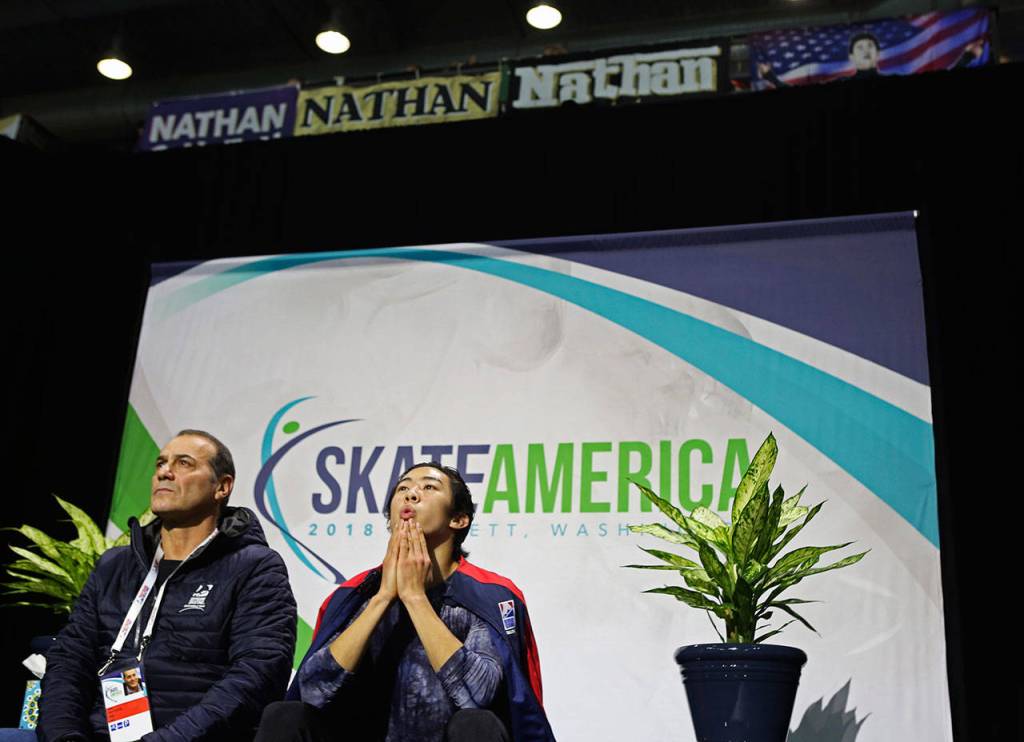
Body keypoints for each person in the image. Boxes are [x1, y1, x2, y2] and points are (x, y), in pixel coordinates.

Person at [256, 463, 555, 742]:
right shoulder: (353, 593)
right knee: (284, 715)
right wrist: (383, 597)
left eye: (429, 488)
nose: (411, 493)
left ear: (458, 519)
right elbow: (312, 691)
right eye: (403, 488)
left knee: (476, 724)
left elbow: (479, 695)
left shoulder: (490, 593)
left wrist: (414, 598)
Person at [35, 429, 297, 742]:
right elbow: (70, 659)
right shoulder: (114, 566)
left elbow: (257, 674)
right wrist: (65, 736)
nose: (164, 472)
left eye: (184, 463)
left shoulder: (254, 566)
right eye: (161, 463)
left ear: (222, 487)